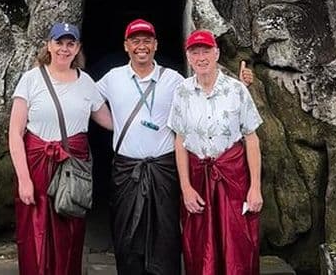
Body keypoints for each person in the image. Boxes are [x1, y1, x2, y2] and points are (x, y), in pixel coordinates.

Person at [96, 19, 254, 275]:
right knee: (127, 236)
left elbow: (206, 88)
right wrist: (116, 125)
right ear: (126, 46)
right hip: (127, 169)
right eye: (135, 41)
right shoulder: (112, 78)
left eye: (147, 40)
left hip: (164, 167)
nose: (141, 46)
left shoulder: (174, 80)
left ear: (156, 45)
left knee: (166, 236)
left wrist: (243, 82)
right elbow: (86, 99)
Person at [8, 22, 113, 275]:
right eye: (59, 43)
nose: (64, 49)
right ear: (49, 45)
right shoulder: (30, 80)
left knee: (70, 232)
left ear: (77, 48)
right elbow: (15, 132)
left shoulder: (86, 82)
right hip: (36, 165)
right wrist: (23, 179)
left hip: (72, 167)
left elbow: (110, 122)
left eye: (70, 44)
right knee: (35, 234)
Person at [168, 29, 263, 275]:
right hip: (198, 177)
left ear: (217, 53)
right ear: (188, 57)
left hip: (233, 177)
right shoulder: (182, 91)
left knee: (237, 244)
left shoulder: (237, 90)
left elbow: (251, 139)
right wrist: (186, 188)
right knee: (200, 246)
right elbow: (180, 141)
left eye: (206, 51)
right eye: (195, 52)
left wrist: (255, 188)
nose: (201, 57)